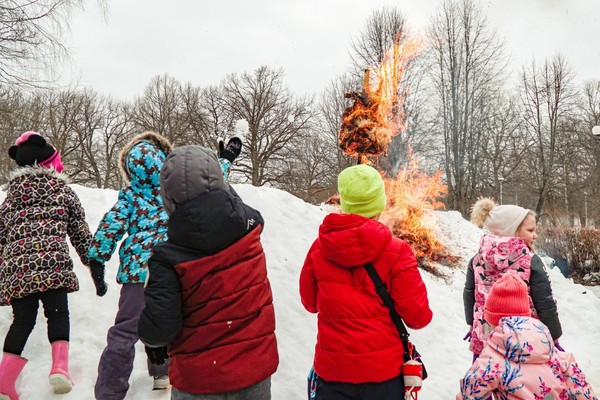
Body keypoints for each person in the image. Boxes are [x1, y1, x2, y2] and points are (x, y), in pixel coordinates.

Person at [137, 145, 279, 400]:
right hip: (254, 371)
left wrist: (150, 338)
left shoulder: (168, 258)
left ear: (167, 197)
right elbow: (226, 202)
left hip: (198, 380)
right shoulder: (250, 228)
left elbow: (159, 330)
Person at [299, 164, 433, 400]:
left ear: (345, 202)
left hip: (332, 373)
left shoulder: (319, 249)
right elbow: (418, 317)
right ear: (379, 204)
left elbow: (310, 304)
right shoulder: (398, 251)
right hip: (382, 377)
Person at [0, 131, 92, 398]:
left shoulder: (11, 198)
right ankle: (59, 369)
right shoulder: (63, 192)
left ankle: (4, 380)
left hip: (18, 272)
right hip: (53, 267)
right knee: (58, 314)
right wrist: (92, 261)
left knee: (22, 321)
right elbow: (79, 232)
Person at [87, 132, 173, 398]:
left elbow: (111, 225)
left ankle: (109, 392)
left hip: (136, 273)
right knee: (168, 322)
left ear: (129, 169)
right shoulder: (174, 191)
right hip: (168, 270)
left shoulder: (130, 196)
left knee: (125, 329)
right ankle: (163, 371)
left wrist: (98, 259)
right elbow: (209, 186)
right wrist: (225, 162)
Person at [457, 273, 597, 400]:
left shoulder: (491, 360)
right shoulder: (555, 354)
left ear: (492, 322)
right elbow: (585, 394)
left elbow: (469, 394)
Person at [464, 197, 562, 358]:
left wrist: (471, 324)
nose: (535, 235)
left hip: (486, 340)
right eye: (530, 230)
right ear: (511, 231)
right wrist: (554, 334)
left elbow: (469, 294)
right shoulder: (531, 261)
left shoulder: (477, 259)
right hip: (524, 342)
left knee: (486, 380)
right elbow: (545, 302)